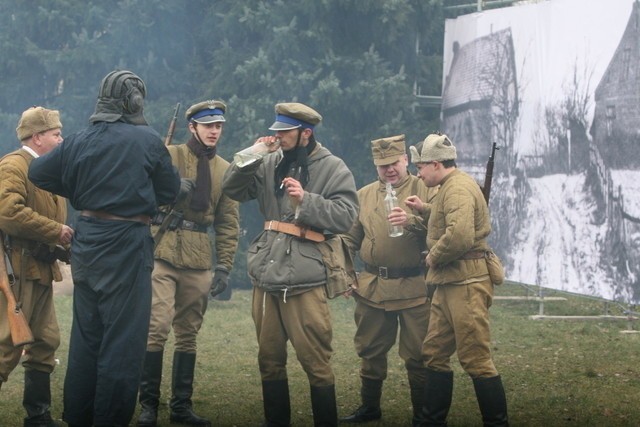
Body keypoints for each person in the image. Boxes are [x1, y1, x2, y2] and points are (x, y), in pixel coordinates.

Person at [28, 70, 182, 427]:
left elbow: (39, 173)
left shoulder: (80, 140)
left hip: (88, 242)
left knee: (86, 339)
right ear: (134, 101)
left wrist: (80, 187)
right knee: (123, 343)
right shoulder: (146, 140)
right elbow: (171, 192)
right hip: (127, 245)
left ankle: (79, 418)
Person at [222, 102, 359, 427]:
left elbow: (347, 216)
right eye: (276, 132)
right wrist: (251, 153)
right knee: (269, 361)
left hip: (306, 279)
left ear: (305, 134)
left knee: (317, 363)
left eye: (285, 133)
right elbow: (231, 188)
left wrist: (306, 201)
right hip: (267, 275)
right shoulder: (268, 163)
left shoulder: (333, 167)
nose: (278, 138)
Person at [137, 100, 239, 427]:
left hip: (198, 258)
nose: (214, 131)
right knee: (156, 327)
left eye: (218, 126)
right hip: (163, 248)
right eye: (208, 125)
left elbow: (227, 223)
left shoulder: (225, 169)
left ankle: (181, 406)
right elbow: (143, 194)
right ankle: (148, 406)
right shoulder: (170, 155)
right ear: (192, 126)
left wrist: (223, 266)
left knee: (188, 332)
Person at [410, 133, 508, 426]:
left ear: (437, 164)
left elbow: (460, 235)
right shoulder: (449, 187)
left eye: (421, 167)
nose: (418, 173)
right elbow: (449, 219)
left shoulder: (457, 189)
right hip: (450, 283)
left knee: (476, 358)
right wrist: (424, 210)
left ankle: (497, 423)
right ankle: (431, 420)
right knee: (435, 352)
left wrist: (433, 256)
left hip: (466, 284)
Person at [340, 134, 438, 426]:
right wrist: (345, 273)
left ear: (406, 159)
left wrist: (413, 220)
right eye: (382, 165)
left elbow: (441, 227)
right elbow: (348, 238)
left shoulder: (426, 187)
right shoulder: (365, 194)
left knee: (419, 353)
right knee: (370, 348)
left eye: (394, 163)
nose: (389, 170)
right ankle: (370, 407)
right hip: (372, 287)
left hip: (415, 287)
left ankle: (422, 414)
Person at [0, 106, 72, 427]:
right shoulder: (14, 166)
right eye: (56, 134)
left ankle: (38, 416)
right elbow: (8, 212)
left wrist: (60, 244)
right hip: (15, 269)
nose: (61, 139)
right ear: (37, 137)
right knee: (5, 345)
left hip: (41, 269)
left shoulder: (47, 170)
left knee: (45, 341)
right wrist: (55, 231)